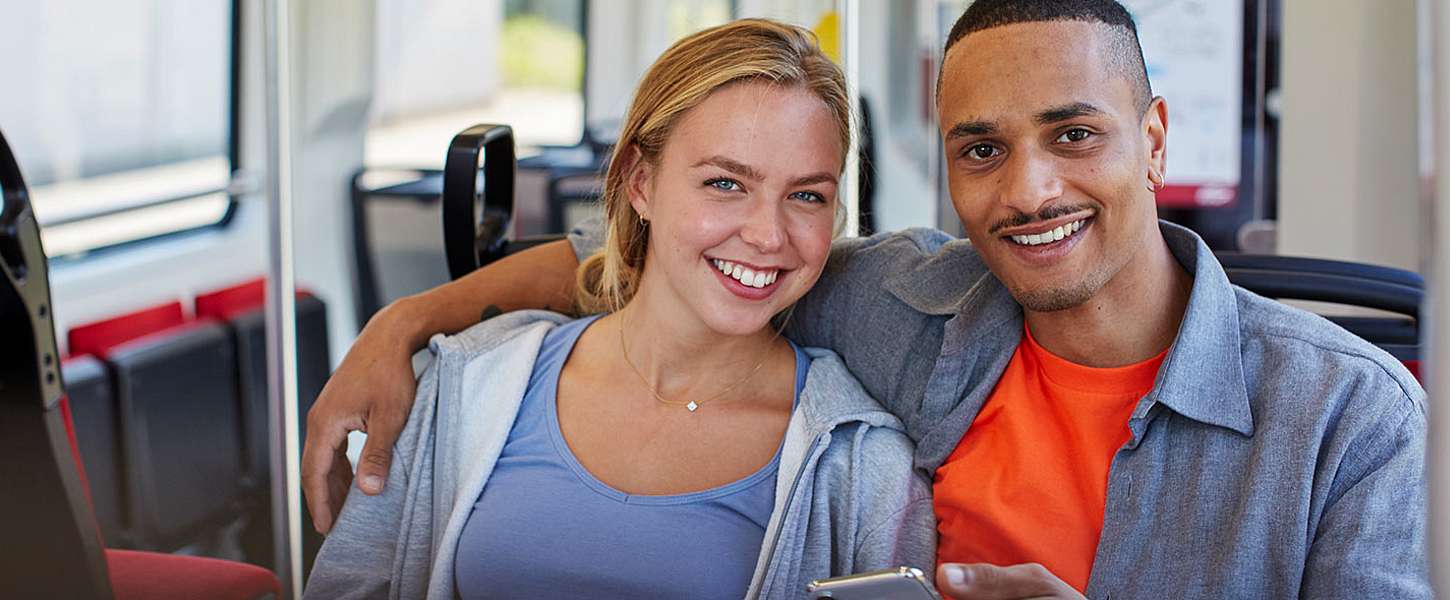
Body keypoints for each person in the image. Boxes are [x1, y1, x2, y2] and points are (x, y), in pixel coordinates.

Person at [305, 1, 1430, 598]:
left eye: (1075, 135)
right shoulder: (895, 299)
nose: (1029, 190)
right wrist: (407, 323)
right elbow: (652, 272)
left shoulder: (1346, 415)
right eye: (980, 149)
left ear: (1153, 138)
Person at [303, 19, 934, 600]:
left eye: (806, 195)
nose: (768, 235)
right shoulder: (466, 381)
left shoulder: (860, 463)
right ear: (640, 182)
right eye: (725, 183)